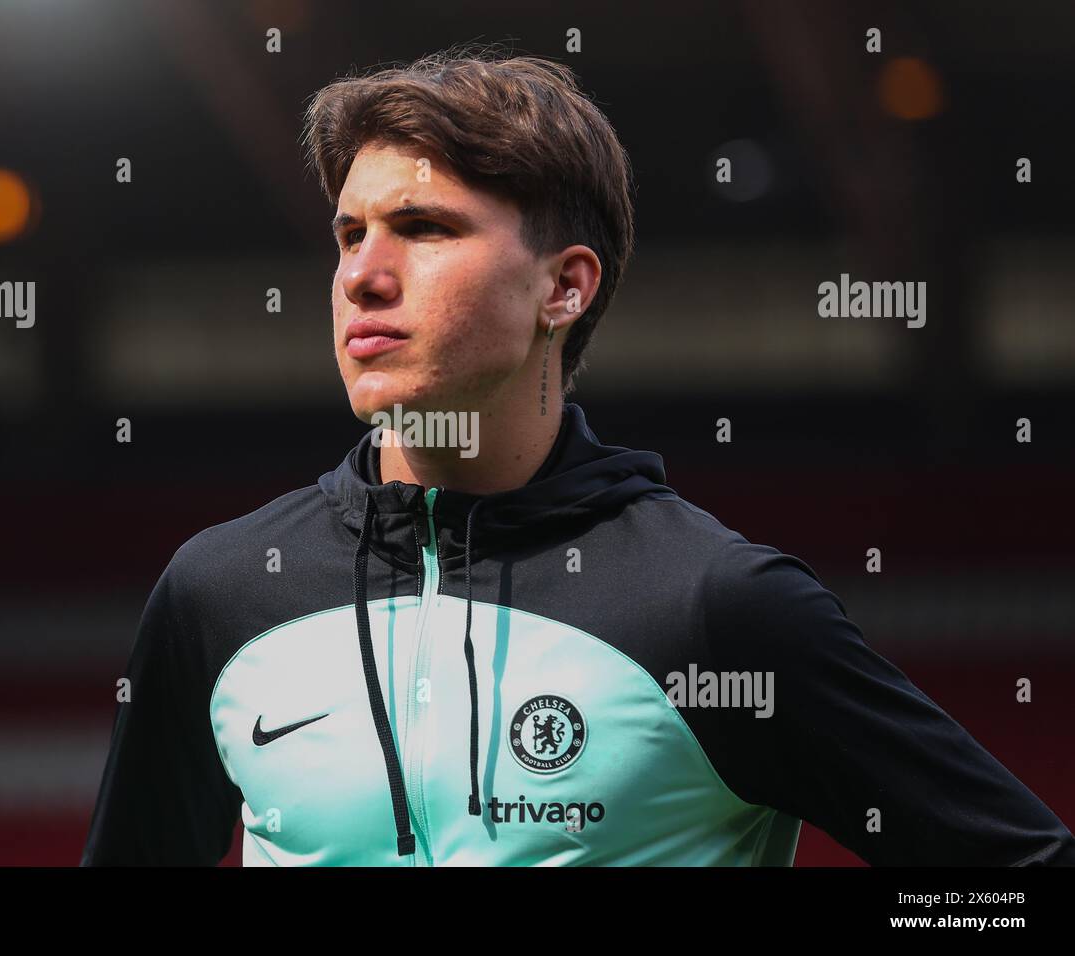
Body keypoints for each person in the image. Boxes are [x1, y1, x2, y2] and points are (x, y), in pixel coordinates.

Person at [80, 48, 1075, 866]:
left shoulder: (716, 605)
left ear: (564, 288)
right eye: (349, 233)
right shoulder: (215, 591)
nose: (363, 275)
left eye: (422, 228)